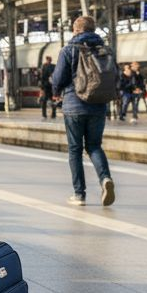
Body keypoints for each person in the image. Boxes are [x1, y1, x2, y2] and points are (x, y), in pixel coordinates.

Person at [50, 16, 116, 207]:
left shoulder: (69, 49)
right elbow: (114, 76)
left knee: (75, 150)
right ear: (93, 30)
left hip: (74, 105)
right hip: (98, 105)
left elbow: (58, 79)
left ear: (75, 30)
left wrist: (56, 93)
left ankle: (79, 194)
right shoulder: (106, 50)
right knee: (94, 146)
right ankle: (105, 179)